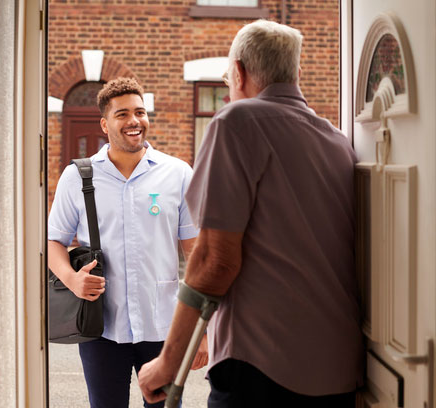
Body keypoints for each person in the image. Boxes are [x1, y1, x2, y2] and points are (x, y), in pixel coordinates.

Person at [138, 20, 363, 407]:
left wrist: (169, 361)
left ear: (238, 72)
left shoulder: (237, 122)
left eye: (227, 80)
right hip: (338, 370)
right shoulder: (336, 141)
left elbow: (213, 261)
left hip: (263, 368)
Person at [48, 77, 206, 408]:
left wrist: (201, 329)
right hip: (101, 329)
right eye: (122, 114)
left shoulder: (177, 174)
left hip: (165, 326)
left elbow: (197, 255)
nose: (134, 121)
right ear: (105, 124)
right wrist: (72, 279)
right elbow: (53, 242)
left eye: (140, 112)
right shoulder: (77, 177)